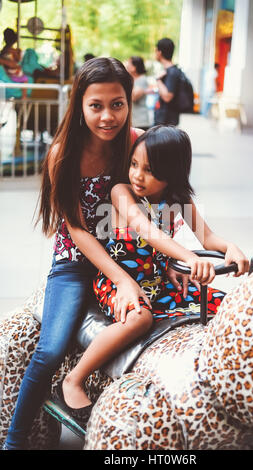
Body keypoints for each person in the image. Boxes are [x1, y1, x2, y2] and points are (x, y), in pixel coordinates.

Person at [2, 57, 151, 450]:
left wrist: (189, 255)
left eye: (117, 104)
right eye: (96, 105)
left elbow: (169, 199)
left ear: (129, 102)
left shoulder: (136, 142)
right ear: (79, 105)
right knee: (50, 349)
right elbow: (77, 229)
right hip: (75, 264)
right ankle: (14, 442)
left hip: (130, 257)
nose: (107, 116)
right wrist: (122, 279)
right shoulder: (63, 153)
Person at [56, 125, 249, 426]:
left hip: (157, 282)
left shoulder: (178, 199)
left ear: (171, 173)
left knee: (222, 304)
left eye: (149, 170)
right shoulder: (122, 193)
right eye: (134, 164)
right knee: (140, 319)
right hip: (119, 282)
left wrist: (231, 248)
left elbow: (208, 238)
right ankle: (74, 378)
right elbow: (145, 228)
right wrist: (184, 256)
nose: (137, 175)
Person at [154, 38, 181, 126]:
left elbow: (167, 97)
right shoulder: (169, 71)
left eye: (155, 51)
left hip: (167, 123)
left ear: (159, 52)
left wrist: (158, 80)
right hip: (165, 121)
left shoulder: (172, 72)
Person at [126, 56, 151, 130]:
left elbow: (134, 97)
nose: (127, 66)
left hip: (141, 122)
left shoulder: (142, 79)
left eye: (129, 64)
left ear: (135, 67)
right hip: (134, 121)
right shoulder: (133, 80)